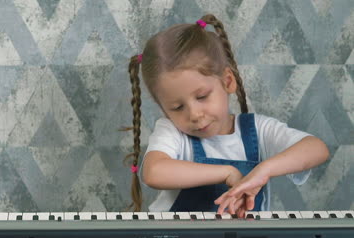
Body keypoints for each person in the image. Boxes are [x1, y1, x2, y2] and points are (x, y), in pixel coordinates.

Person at [124, 14, 329, 216]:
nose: (194, 114)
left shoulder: (258, 130)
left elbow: (316, 149)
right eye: (177, 108)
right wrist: (227, 173)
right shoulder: (172, 132)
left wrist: (263, 170)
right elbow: (154, 172)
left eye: (202, 96)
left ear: (228, 81)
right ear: (163, 109)